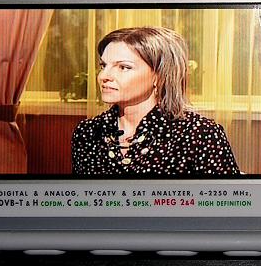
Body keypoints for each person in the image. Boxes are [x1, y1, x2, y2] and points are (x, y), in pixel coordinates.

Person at [71, 27, 239, 175]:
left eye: (124, 67)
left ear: (159, 76)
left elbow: (223, 199)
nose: (103, 76)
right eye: (103, 66)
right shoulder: (87, 132)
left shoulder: (201, 134)